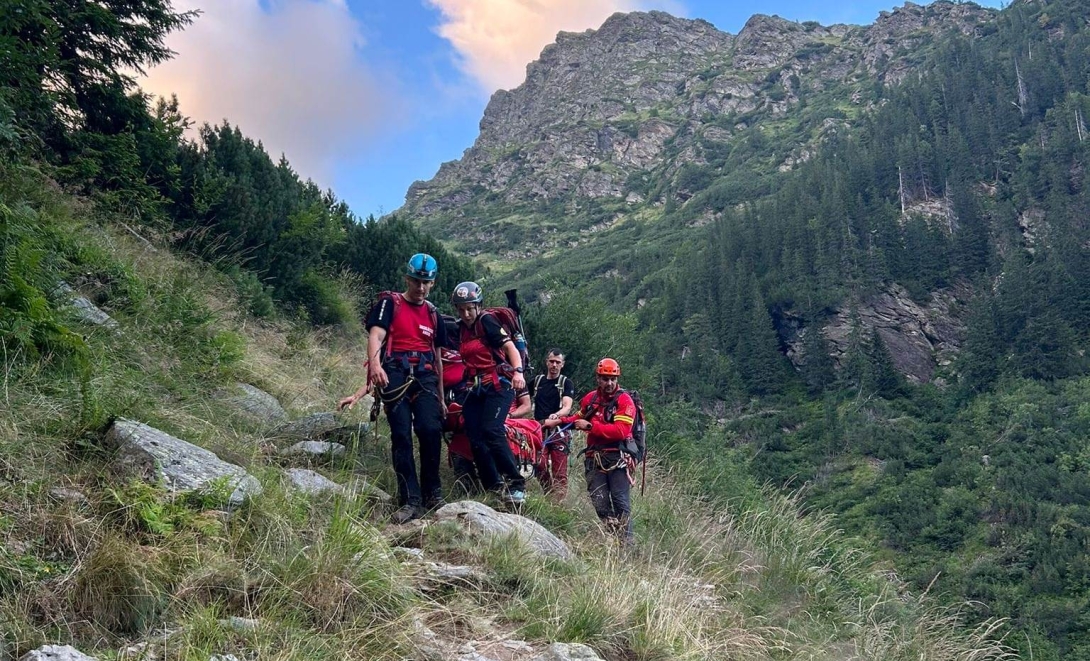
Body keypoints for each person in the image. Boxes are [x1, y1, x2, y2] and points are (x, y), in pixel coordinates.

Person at [339, 253, 446, 524]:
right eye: (416, 281)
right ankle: (410, 499)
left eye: (426, 283)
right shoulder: (390, 303)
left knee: (430, 429)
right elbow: (376, 335)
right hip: (394, 372)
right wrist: (375, 367)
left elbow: (438, 357)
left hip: (425, 376)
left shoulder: (433, 314)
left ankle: (432, 492)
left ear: (432, 283)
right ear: (407, 279)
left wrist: (442, 398)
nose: (420, 288)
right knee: (401, 435)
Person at [451, 281, 528, 504]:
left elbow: (510, 348)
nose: (466, 313)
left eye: (470, 308)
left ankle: (516, 484)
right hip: (477, 387)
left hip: (500, 384)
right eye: (461, 308)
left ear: (478, 306)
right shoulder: (462, 329)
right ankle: (492, 485)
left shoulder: (487, 321)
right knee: (474, 435)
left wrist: (519, 373)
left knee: (492, 430)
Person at [543, 357, 636, 541]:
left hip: (617, 458)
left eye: (613, 379)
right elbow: (577, 418)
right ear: (598, 378)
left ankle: (627, 547)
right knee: (599, 501)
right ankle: (614, 535)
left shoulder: (625, 402)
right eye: (605, 379)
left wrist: (590, 427)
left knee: (620, 503)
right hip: (594, 458)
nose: (609, 383)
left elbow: (621, 431)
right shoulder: (591, 398)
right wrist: (558, 422)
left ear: (617, 379)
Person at [529, 349, 575, 499]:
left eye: (558, 362)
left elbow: (567, 407)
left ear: (562, 364)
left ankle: (558, 504)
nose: (554, 365)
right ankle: (549, 493)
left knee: (560, 472)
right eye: (552, 361)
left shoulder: (565, 383)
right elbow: (521, 397)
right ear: (547, 362)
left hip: (559, 431)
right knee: (538, 464)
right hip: (539, 430)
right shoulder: (537, 382)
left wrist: (557, 415)